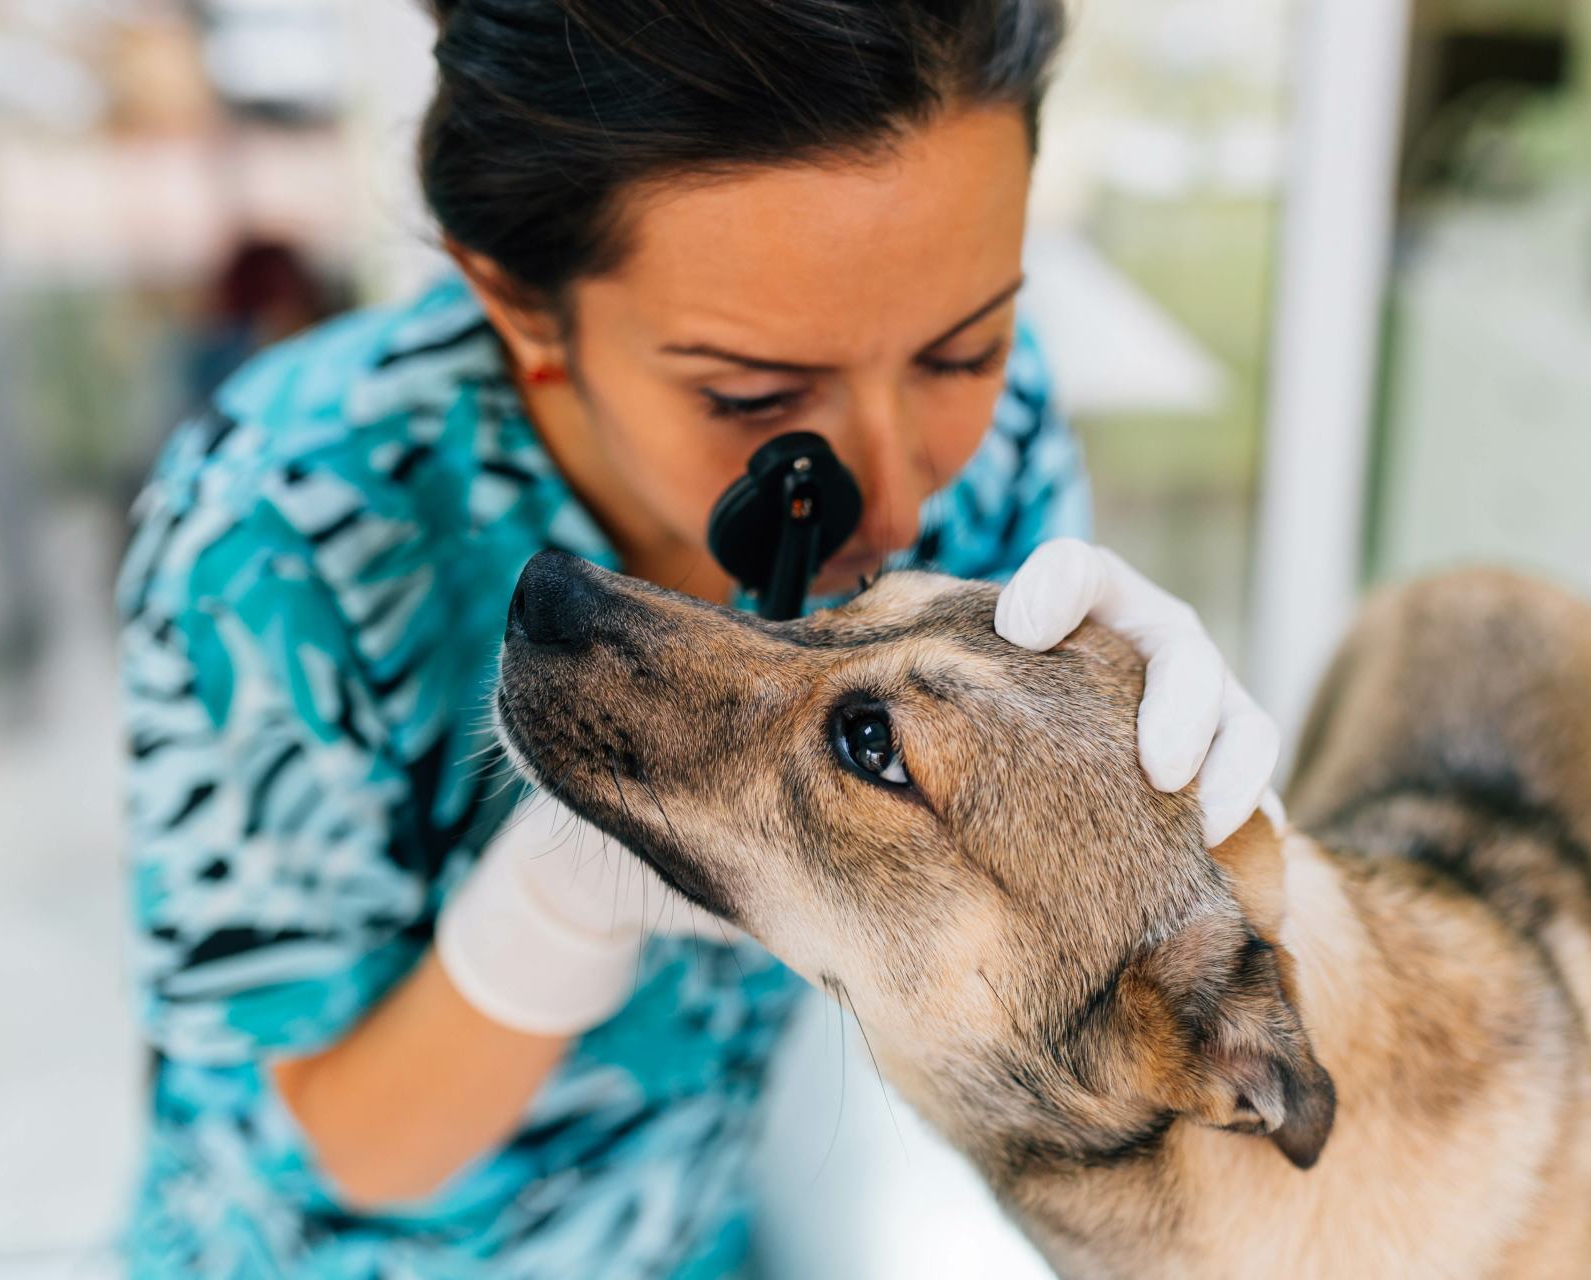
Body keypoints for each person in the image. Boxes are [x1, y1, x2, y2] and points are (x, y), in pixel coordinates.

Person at [114, 1, 1277, 1275]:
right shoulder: (282, 538)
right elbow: (327, 1151)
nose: (898, 500)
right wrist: (547, 917)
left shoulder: (996, 442)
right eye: (755, 396)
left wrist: (1198, 849)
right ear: (519, 303)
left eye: (968, 345)